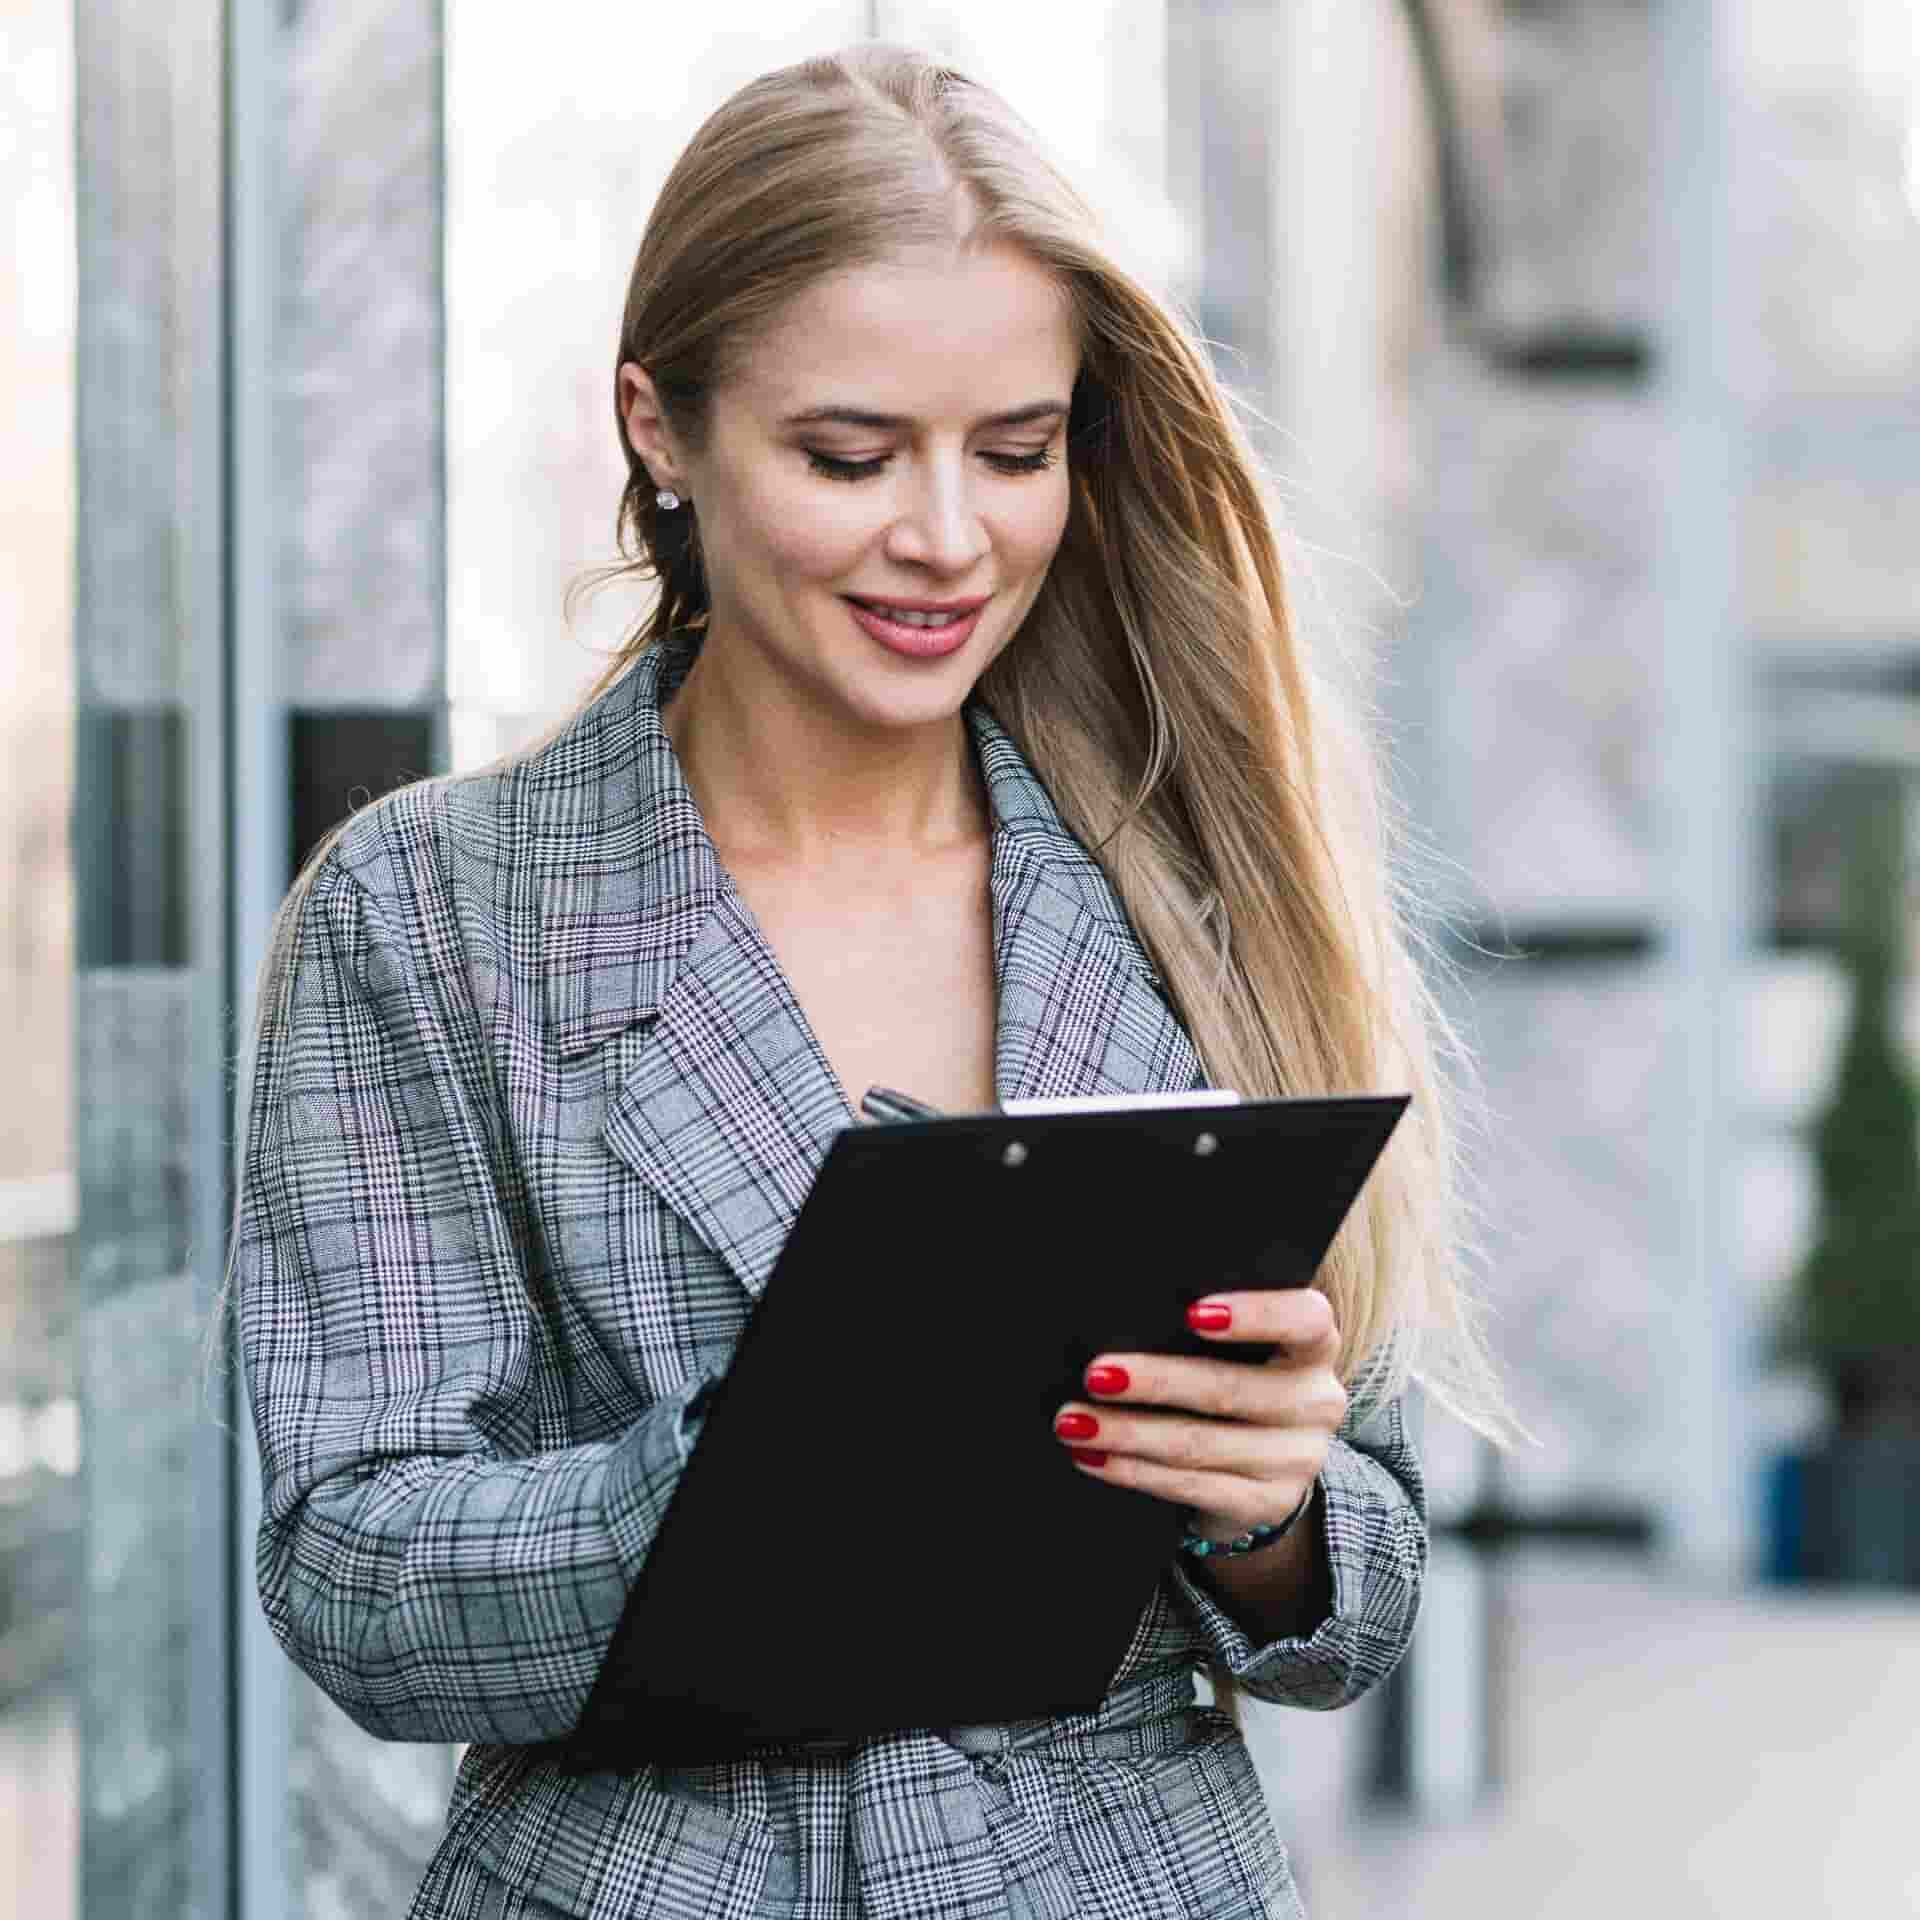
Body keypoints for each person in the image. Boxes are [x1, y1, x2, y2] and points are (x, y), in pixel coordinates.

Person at [231, 41, 1507, 1920]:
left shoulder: (1195, 889)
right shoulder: (430, 910)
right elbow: (353, 1571)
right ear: (659, 431)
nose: (948, 537)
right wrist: (732, 1485)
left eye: (1017, 451)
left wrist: (1268, 1511)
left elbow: (1361, 1587)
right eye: (849, 456)